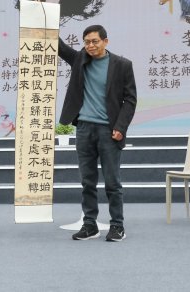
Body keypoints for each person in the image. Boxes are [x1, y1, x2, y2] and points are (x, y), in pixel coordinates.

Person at [58, 24, 137, 242]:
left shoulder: (122, 65)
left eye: (95, 41)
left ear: (105, 41)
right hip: (84, 128)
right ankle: (90, 225)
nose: (90, 46)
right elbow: (59, 46)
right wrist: (43, 16)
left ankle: (117, 225)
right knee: (87, 181)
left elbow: (130, 100)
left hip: (109, 131)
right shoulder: (79, 59)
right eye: (86, 42)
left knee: (112, 182)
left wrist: (120, 127)